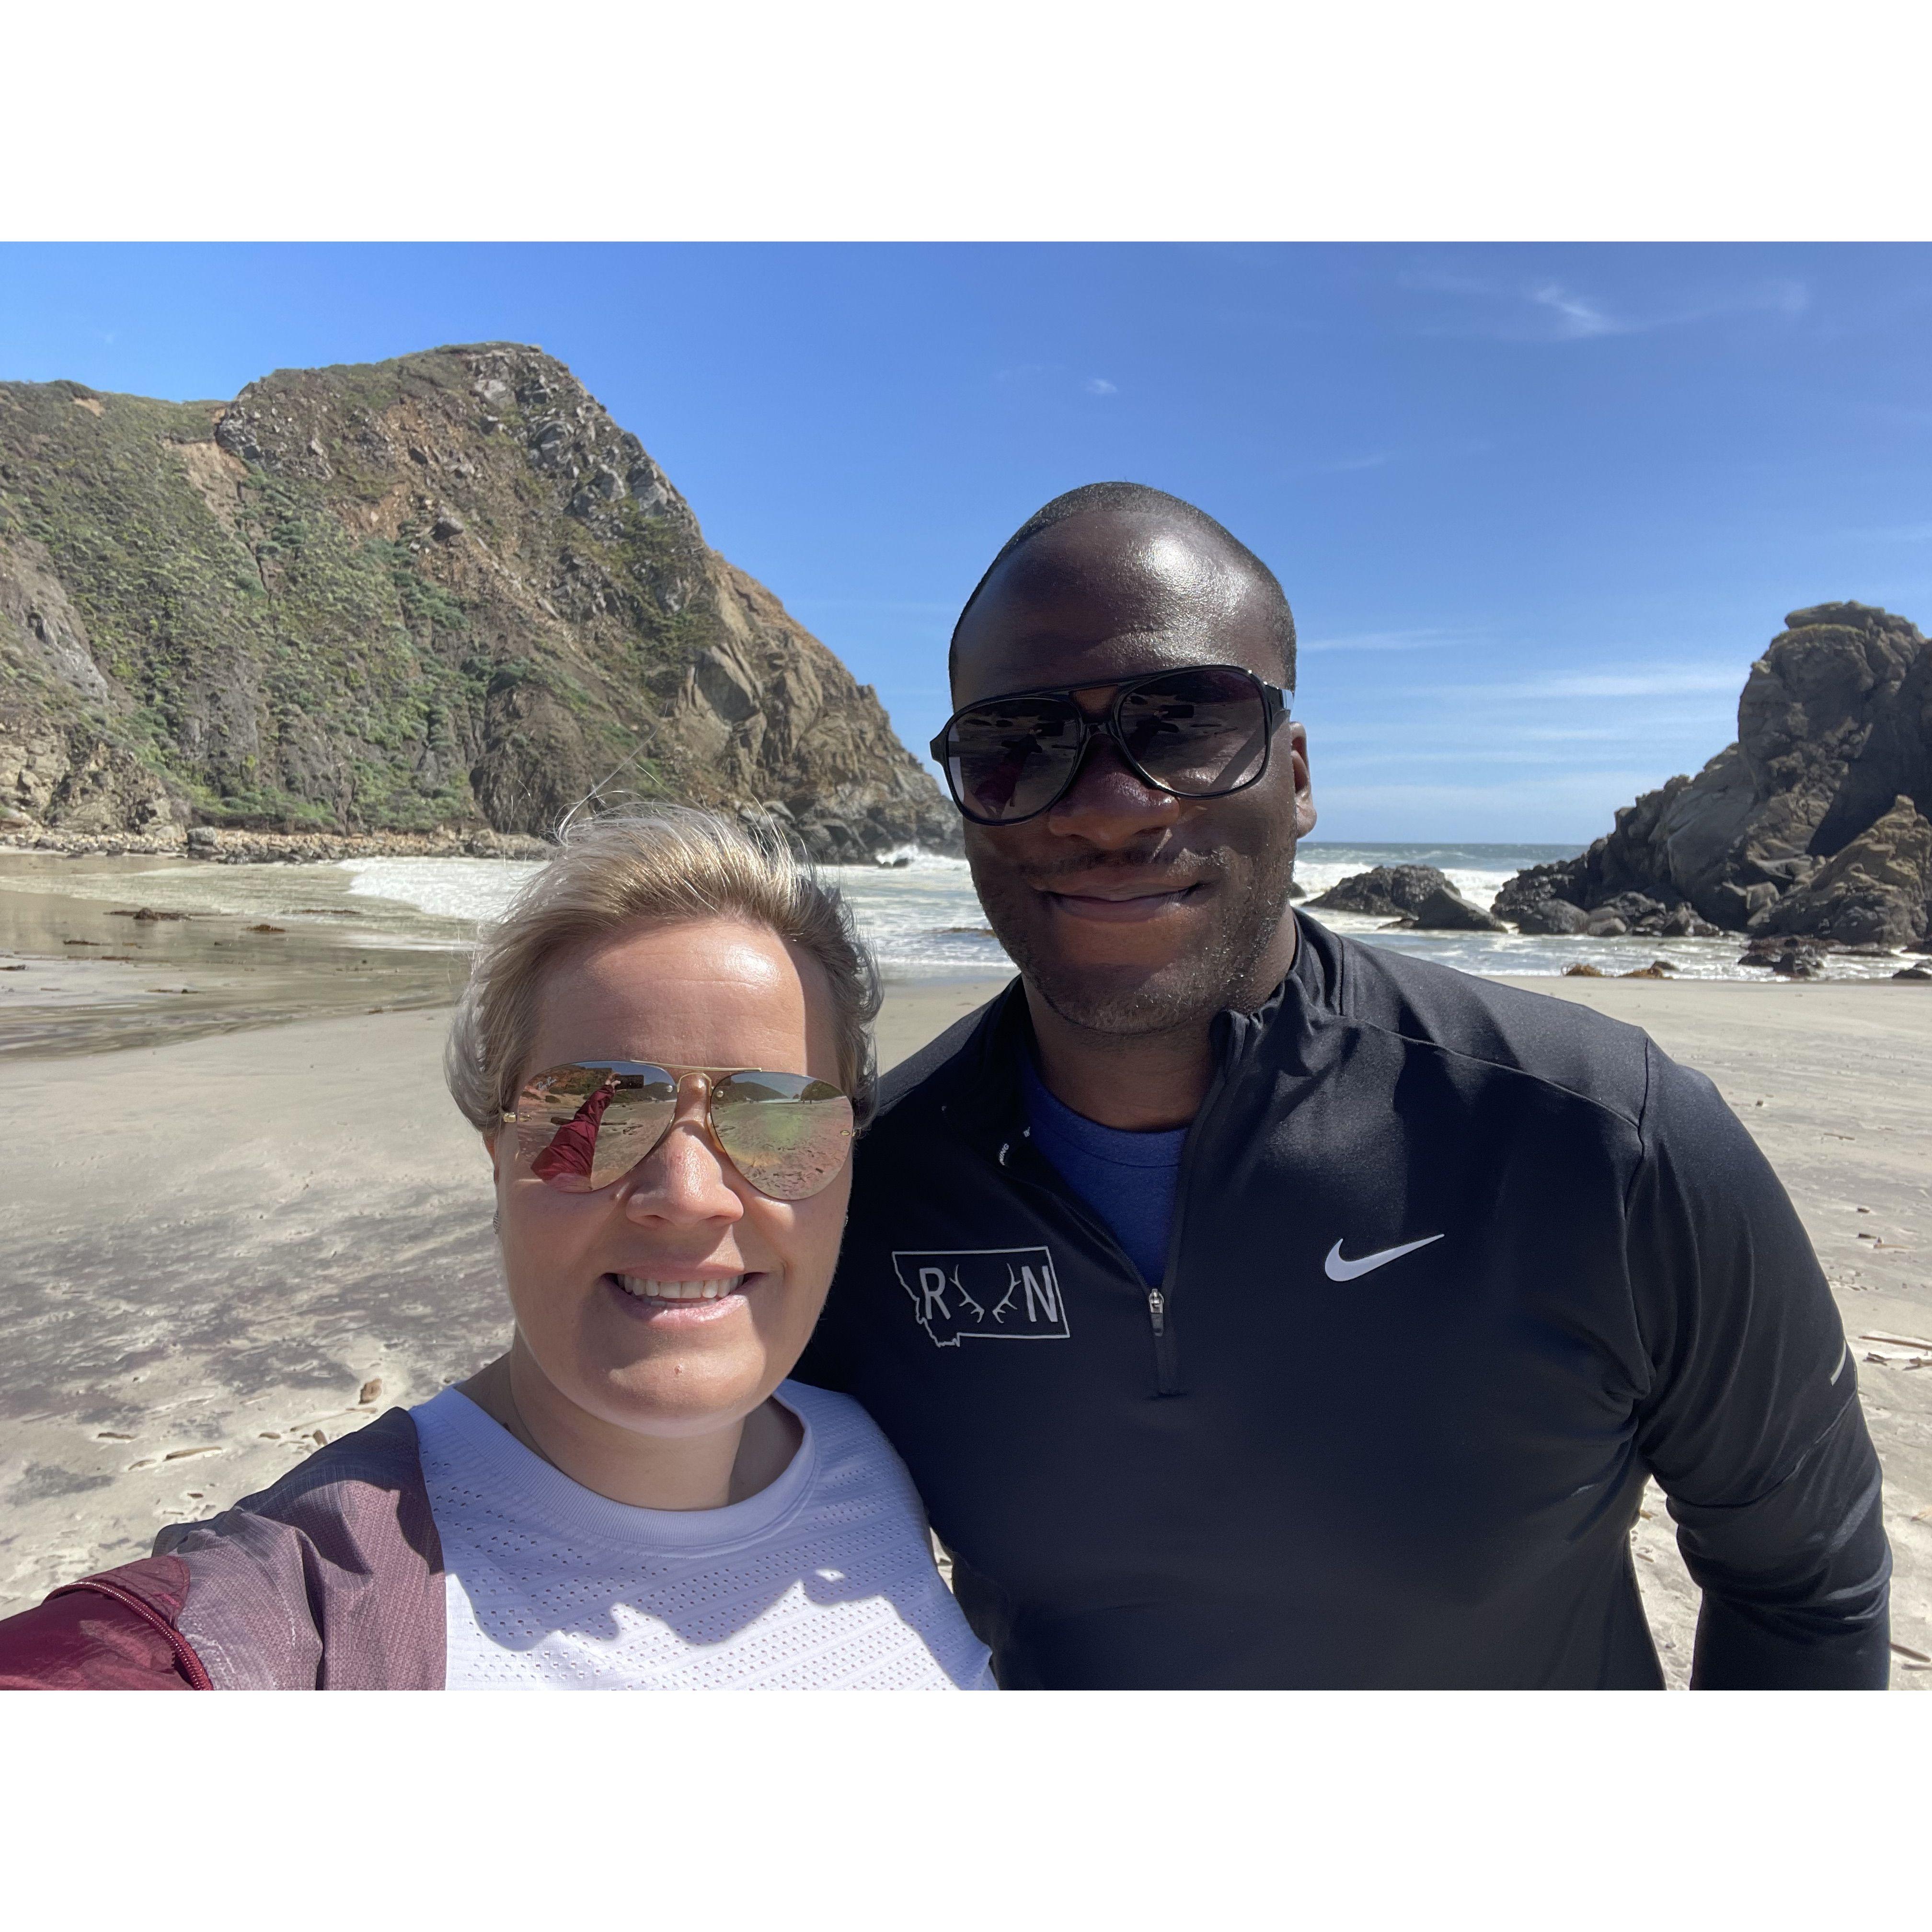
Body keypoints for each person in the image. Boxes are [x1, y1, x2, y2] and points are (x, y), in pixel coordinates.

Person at [797, 480, 1893, 1689]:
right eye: (1019, 747)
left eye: (1184, 721)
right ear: (965, 798)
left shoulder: (1603, 1139)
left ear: (1299, 774)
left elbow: (1806, 1584)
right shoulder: (866, 1190)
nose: (1110, 807)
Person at [0, 810, 993, 1690]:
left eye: (780, 1120)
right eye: (595, 1114)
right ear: (498, 1156)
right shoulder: (325, 1592)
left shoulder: (889, 1460)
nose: (686, 1196)